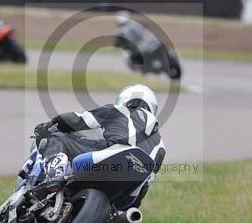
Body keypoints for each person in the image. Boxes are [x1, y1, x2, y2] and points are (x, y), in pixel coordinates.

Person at [29, 84, 166, 210]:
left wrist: (49, 126)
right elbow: (146, 184)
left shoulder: (119, 110)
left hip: (112, 153)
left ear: (125, 100)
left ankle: (55, 175)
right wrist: (130, 213)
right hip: (128, 190)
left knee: (55, 137)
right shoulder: (161, 146)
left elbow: (77, 120)